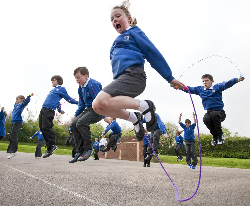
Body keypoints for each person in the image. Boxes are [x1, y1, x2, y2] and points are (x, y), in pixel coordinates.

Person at [92, 0, 185, 142]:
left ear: (129, 19)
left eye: (118, 16)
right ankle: (134, 119)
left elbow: (152, 53)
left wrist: (169, 77)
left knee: (102, 99)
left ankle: (145, 106)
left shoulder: (134, 32)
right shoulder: (117, 42)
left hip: (134, 76)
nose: (114, 20)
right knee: (97, 106)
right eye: (112, 19)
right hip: (121, 79)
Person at [182, 74, 245, 146]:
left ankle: (220, 135)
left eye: (206, 81)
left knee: (214, 115)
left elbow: (227, 84)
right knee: (206, 119)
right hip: (209, 112)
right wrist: (179, 86)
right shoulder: (200, 90)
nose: (205, 83)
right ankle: (215, 137)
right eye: (203, 81)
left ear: (212, 81)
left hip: (220, 112)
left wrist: (237, 79)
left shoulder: (217, 87)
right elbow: (189, 89)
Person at [69, 67, 103, 163]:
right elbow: (81, 104)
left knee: (81, 123)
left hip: (97, 109)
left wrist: (106, 115)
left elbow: (100, 101)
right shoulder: (80, 88)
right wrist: (76, 115)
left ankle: (88, 149)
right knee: (74, 124)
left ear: (86, 76)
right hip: (88, 110)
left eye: (78, 77)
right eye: (75, 78)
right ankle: (79, 151)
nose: (77, 80)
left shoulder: (93, 84)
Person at [39, 75, 78, 158]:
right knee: (42, 127)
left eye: (53, 80)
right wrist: (60, 110)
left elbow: (69, 99)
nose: (52, 82)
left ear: (58, 81)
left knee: (47, 126)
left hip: (49, 110)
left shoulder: (61, 89)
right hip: (43, 110)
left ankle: (52, 145)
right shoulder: (53, 90)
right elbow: (57, 102)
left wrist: (79, 103)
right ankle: (49, 147)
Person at [7, 94, 33, 159]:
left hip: (17, 122)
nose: (16, 100)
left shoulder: (21, 105)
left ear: (21, 100)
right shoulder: (16, 105)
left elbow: (26, 102)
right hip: (14, 122)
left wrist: (29, 96)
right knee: (10, 136)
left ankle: (14, 151)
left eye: (17, 99)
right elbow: (15, 104)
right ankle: (11, 150)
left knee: (13, 136)